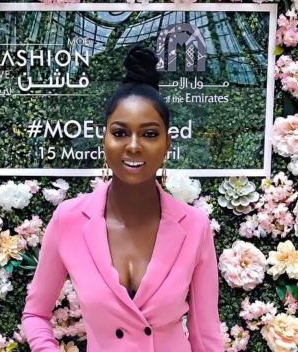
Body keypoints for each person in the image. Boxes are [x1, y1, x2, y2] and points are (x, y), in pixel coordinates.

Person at [22, 46, 222, 351]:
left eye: (150, 134)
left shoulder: (194, 226)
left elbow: (205, 337)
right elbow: (35, 314)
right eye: (119, 133)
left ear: (167, 144)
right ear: (104, 139)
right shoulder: (69, 220)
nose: (133, 146)